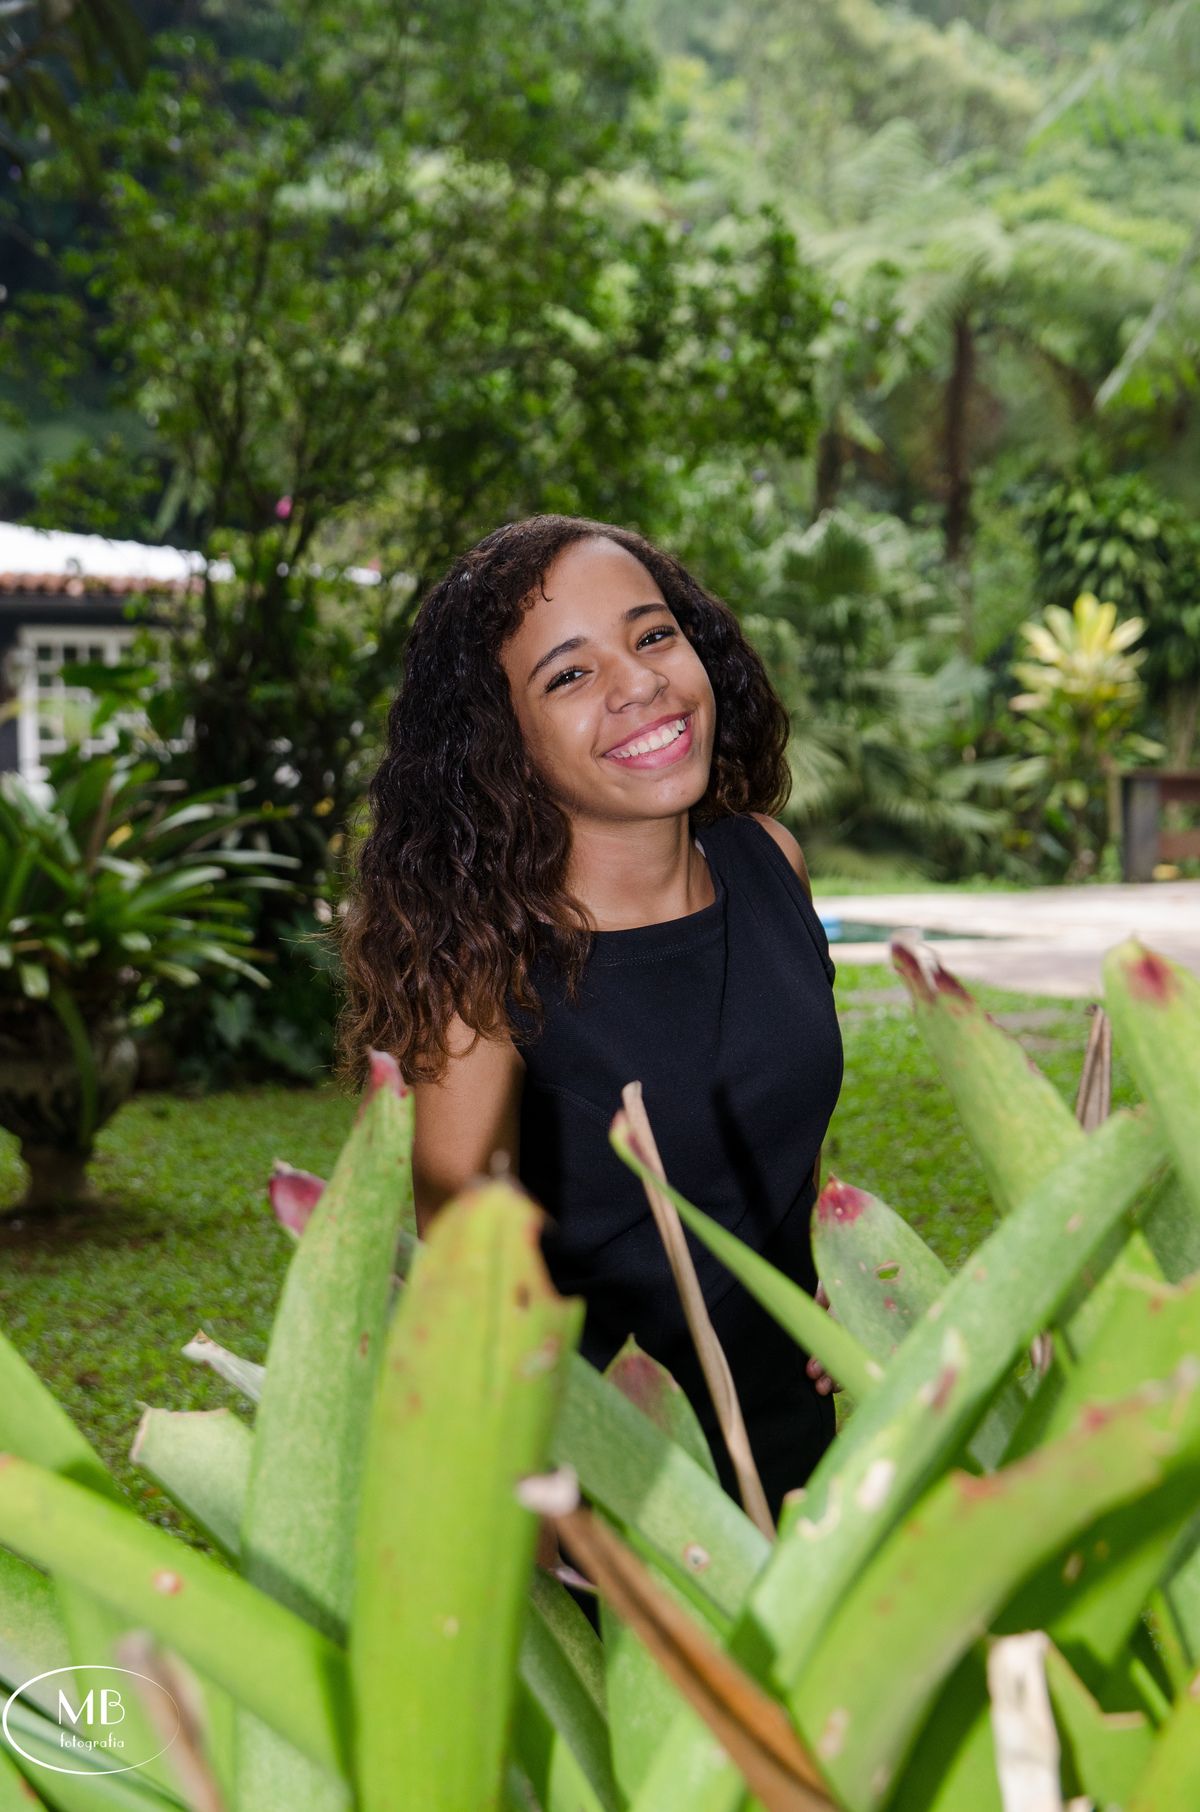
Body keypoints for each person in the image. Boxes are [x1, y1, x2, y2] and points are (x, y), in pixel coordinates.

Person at [340, 515, 844, 1517]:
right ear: (503, 744)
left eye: (653, 635)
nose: (639, 683)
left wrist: (832, 1288)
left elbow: (775, 1139)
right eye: (568, 676)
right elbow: (462, 1283)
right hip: (612, 1497)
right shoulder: (477, 971)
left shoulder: (767, 862)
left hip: (809, 1458)